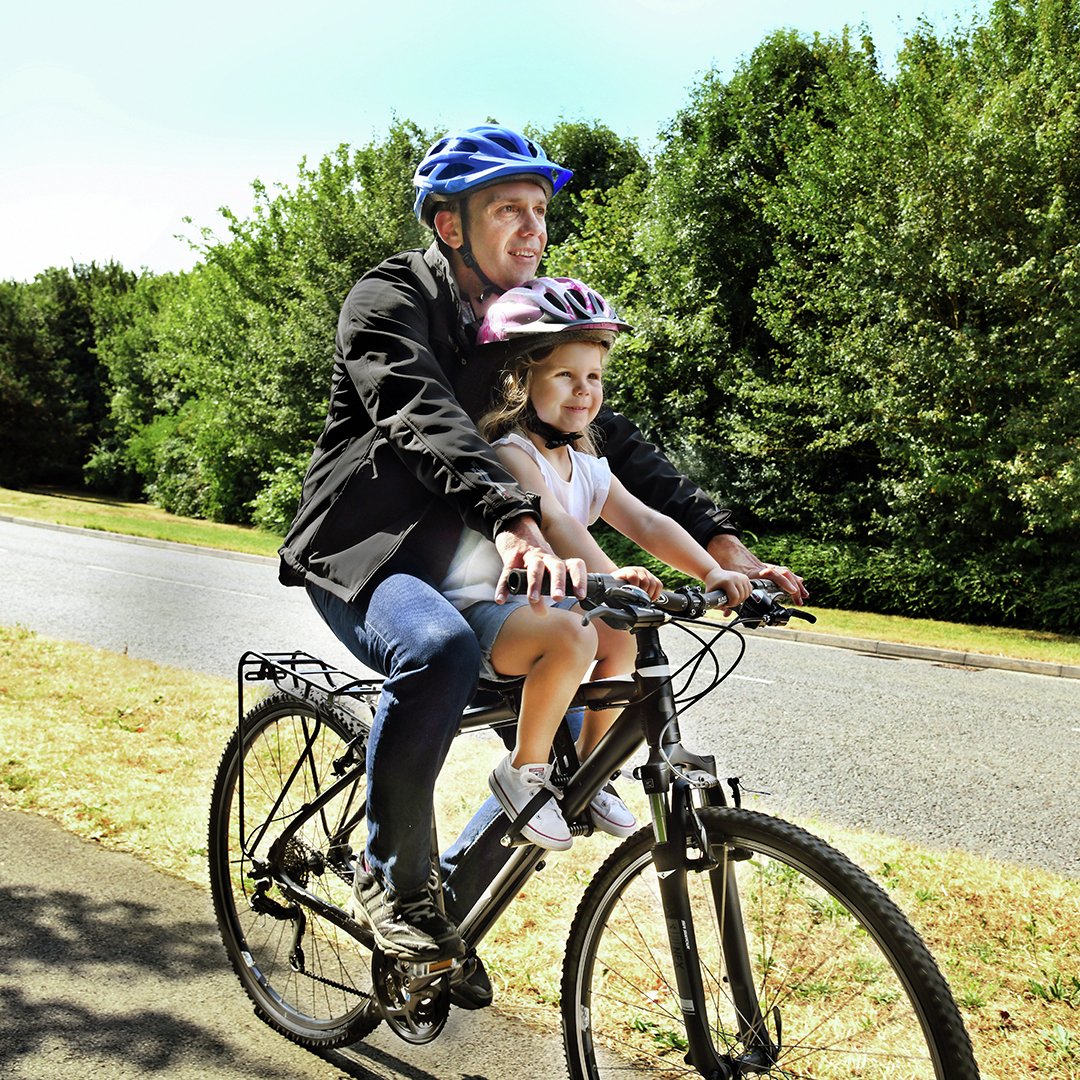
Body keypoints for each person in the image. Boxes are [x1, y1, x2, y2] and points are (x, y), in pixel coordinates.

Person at [278, 123, 806, 989]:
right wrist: (514, 519)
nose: (533, 227)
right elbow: (422, 415)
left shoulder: (526, 331)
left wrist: (725, 552)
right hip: (372, 557)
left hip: (491, 569)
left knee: (580, 709)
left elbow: (625, 461)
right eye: (508, 209)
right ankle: (395, 883)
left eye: (540, 211)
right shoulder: (389, 302)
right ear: (451, 226)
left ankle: (450, 897)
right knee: (437, 650)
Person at [440, 277, 753, 850]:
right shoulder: (512, 452)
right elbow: (557, 524)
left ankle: (590, 771)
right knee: (575, 635)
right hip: (483, 611)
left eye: (594, 378)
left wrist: (711, 570)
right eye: (565, 375)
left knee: (621, 640)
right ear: (519, 380)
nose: (584, 391)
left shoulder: (587, 465)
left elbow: (648, 521)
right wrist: (615, 576)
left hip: (542, 610)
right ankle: (524, 771)